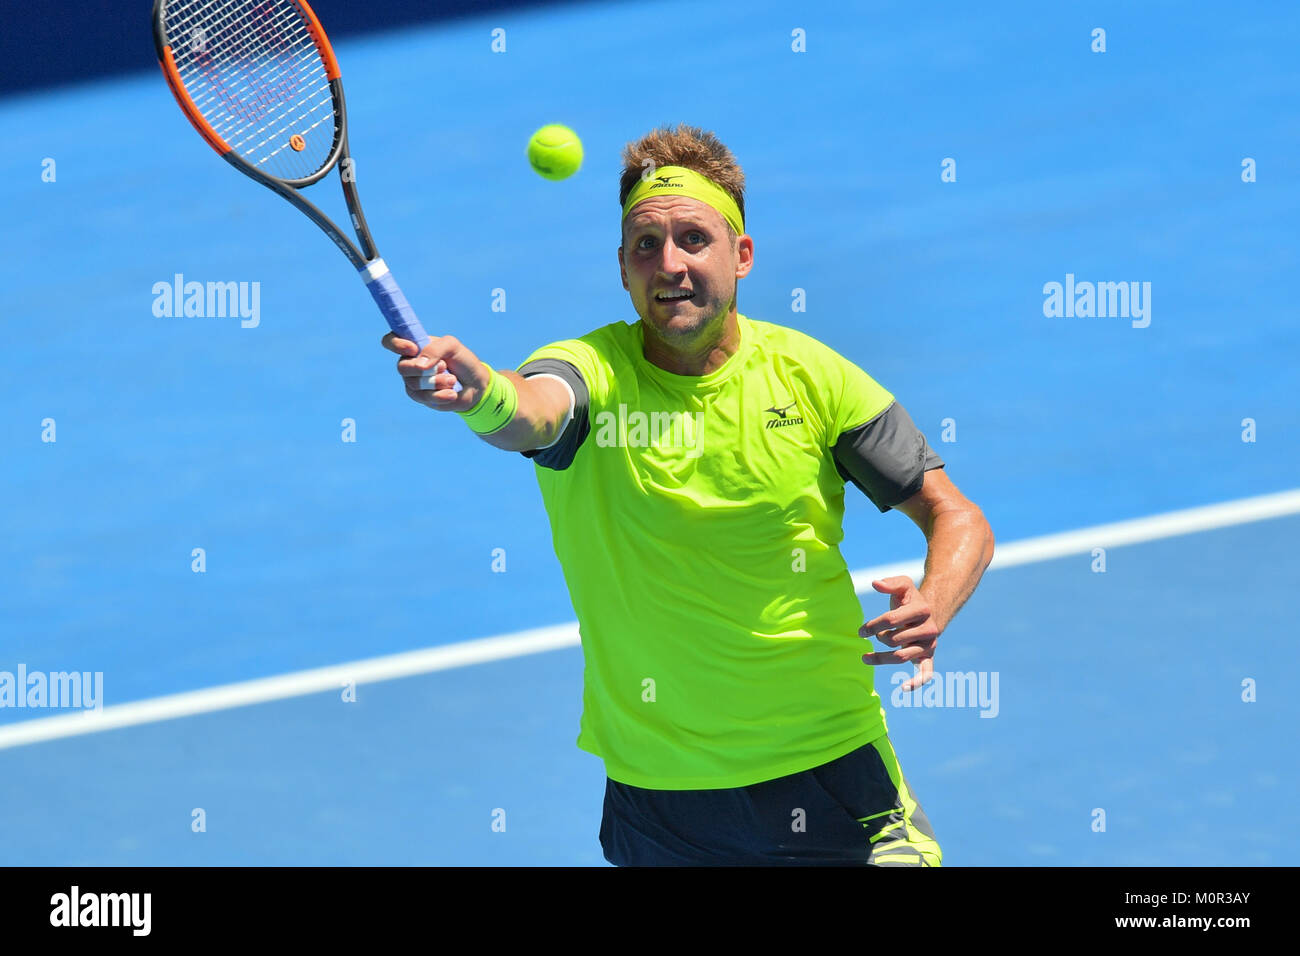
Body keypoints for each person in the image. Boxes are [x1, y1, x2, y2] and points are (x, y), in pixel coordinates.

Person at [382, 123, 994, 866]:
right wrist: (479, 393)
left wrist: (936, 599)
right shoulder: (590, 374)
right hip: (664, 801)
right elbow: (532, 410)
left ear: (742, 255)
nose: (669, 264)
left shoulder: (813, 379)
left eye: (693, 239)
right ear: (622, 269)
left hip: (832, 769)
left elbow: (954, 515)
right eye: (646, 245)